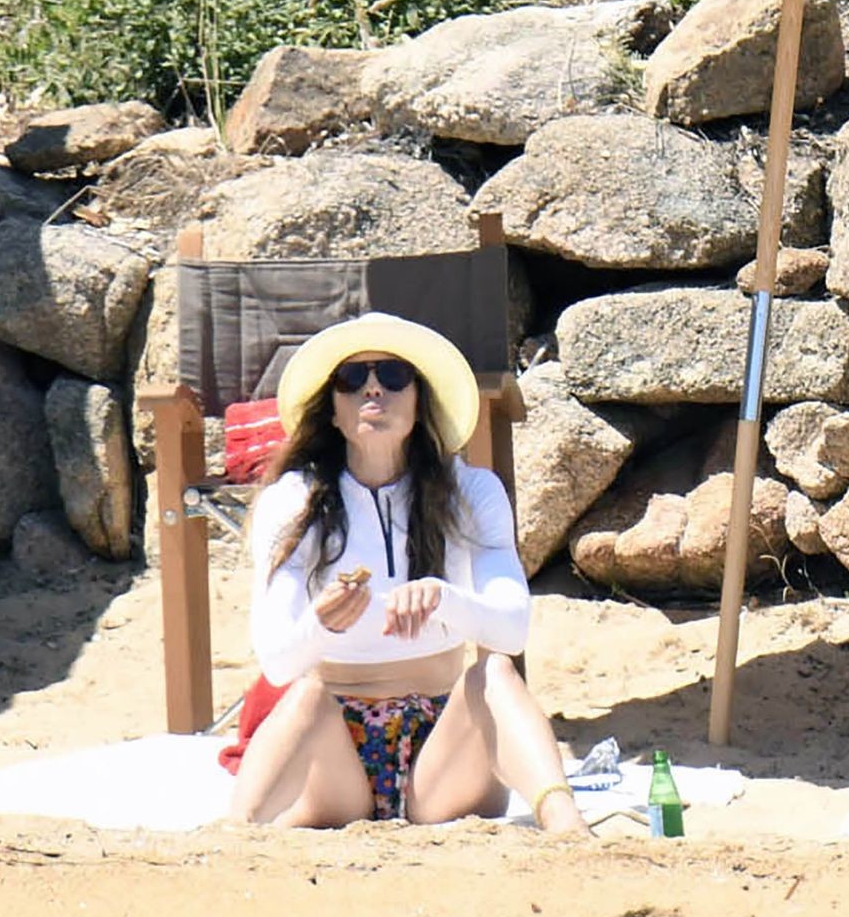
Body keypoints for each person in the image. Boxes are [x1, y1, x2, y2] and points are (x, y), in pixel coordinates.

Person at [227, 311, 590, 833]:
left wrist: (445, 599)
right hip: (335, 755)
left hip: (442, 749)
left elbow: (511, 630)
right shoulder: (293, 501)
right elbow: (277, 663)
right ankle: (235, 832)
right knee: (305, 695)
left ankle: (566, 823)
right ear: (332, 411)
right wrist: (321, 625)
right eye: (353, 378)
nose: (373, 389)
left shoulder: (471, 492)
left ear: (421, 403)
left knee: (494, 674)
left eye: (394, 376)